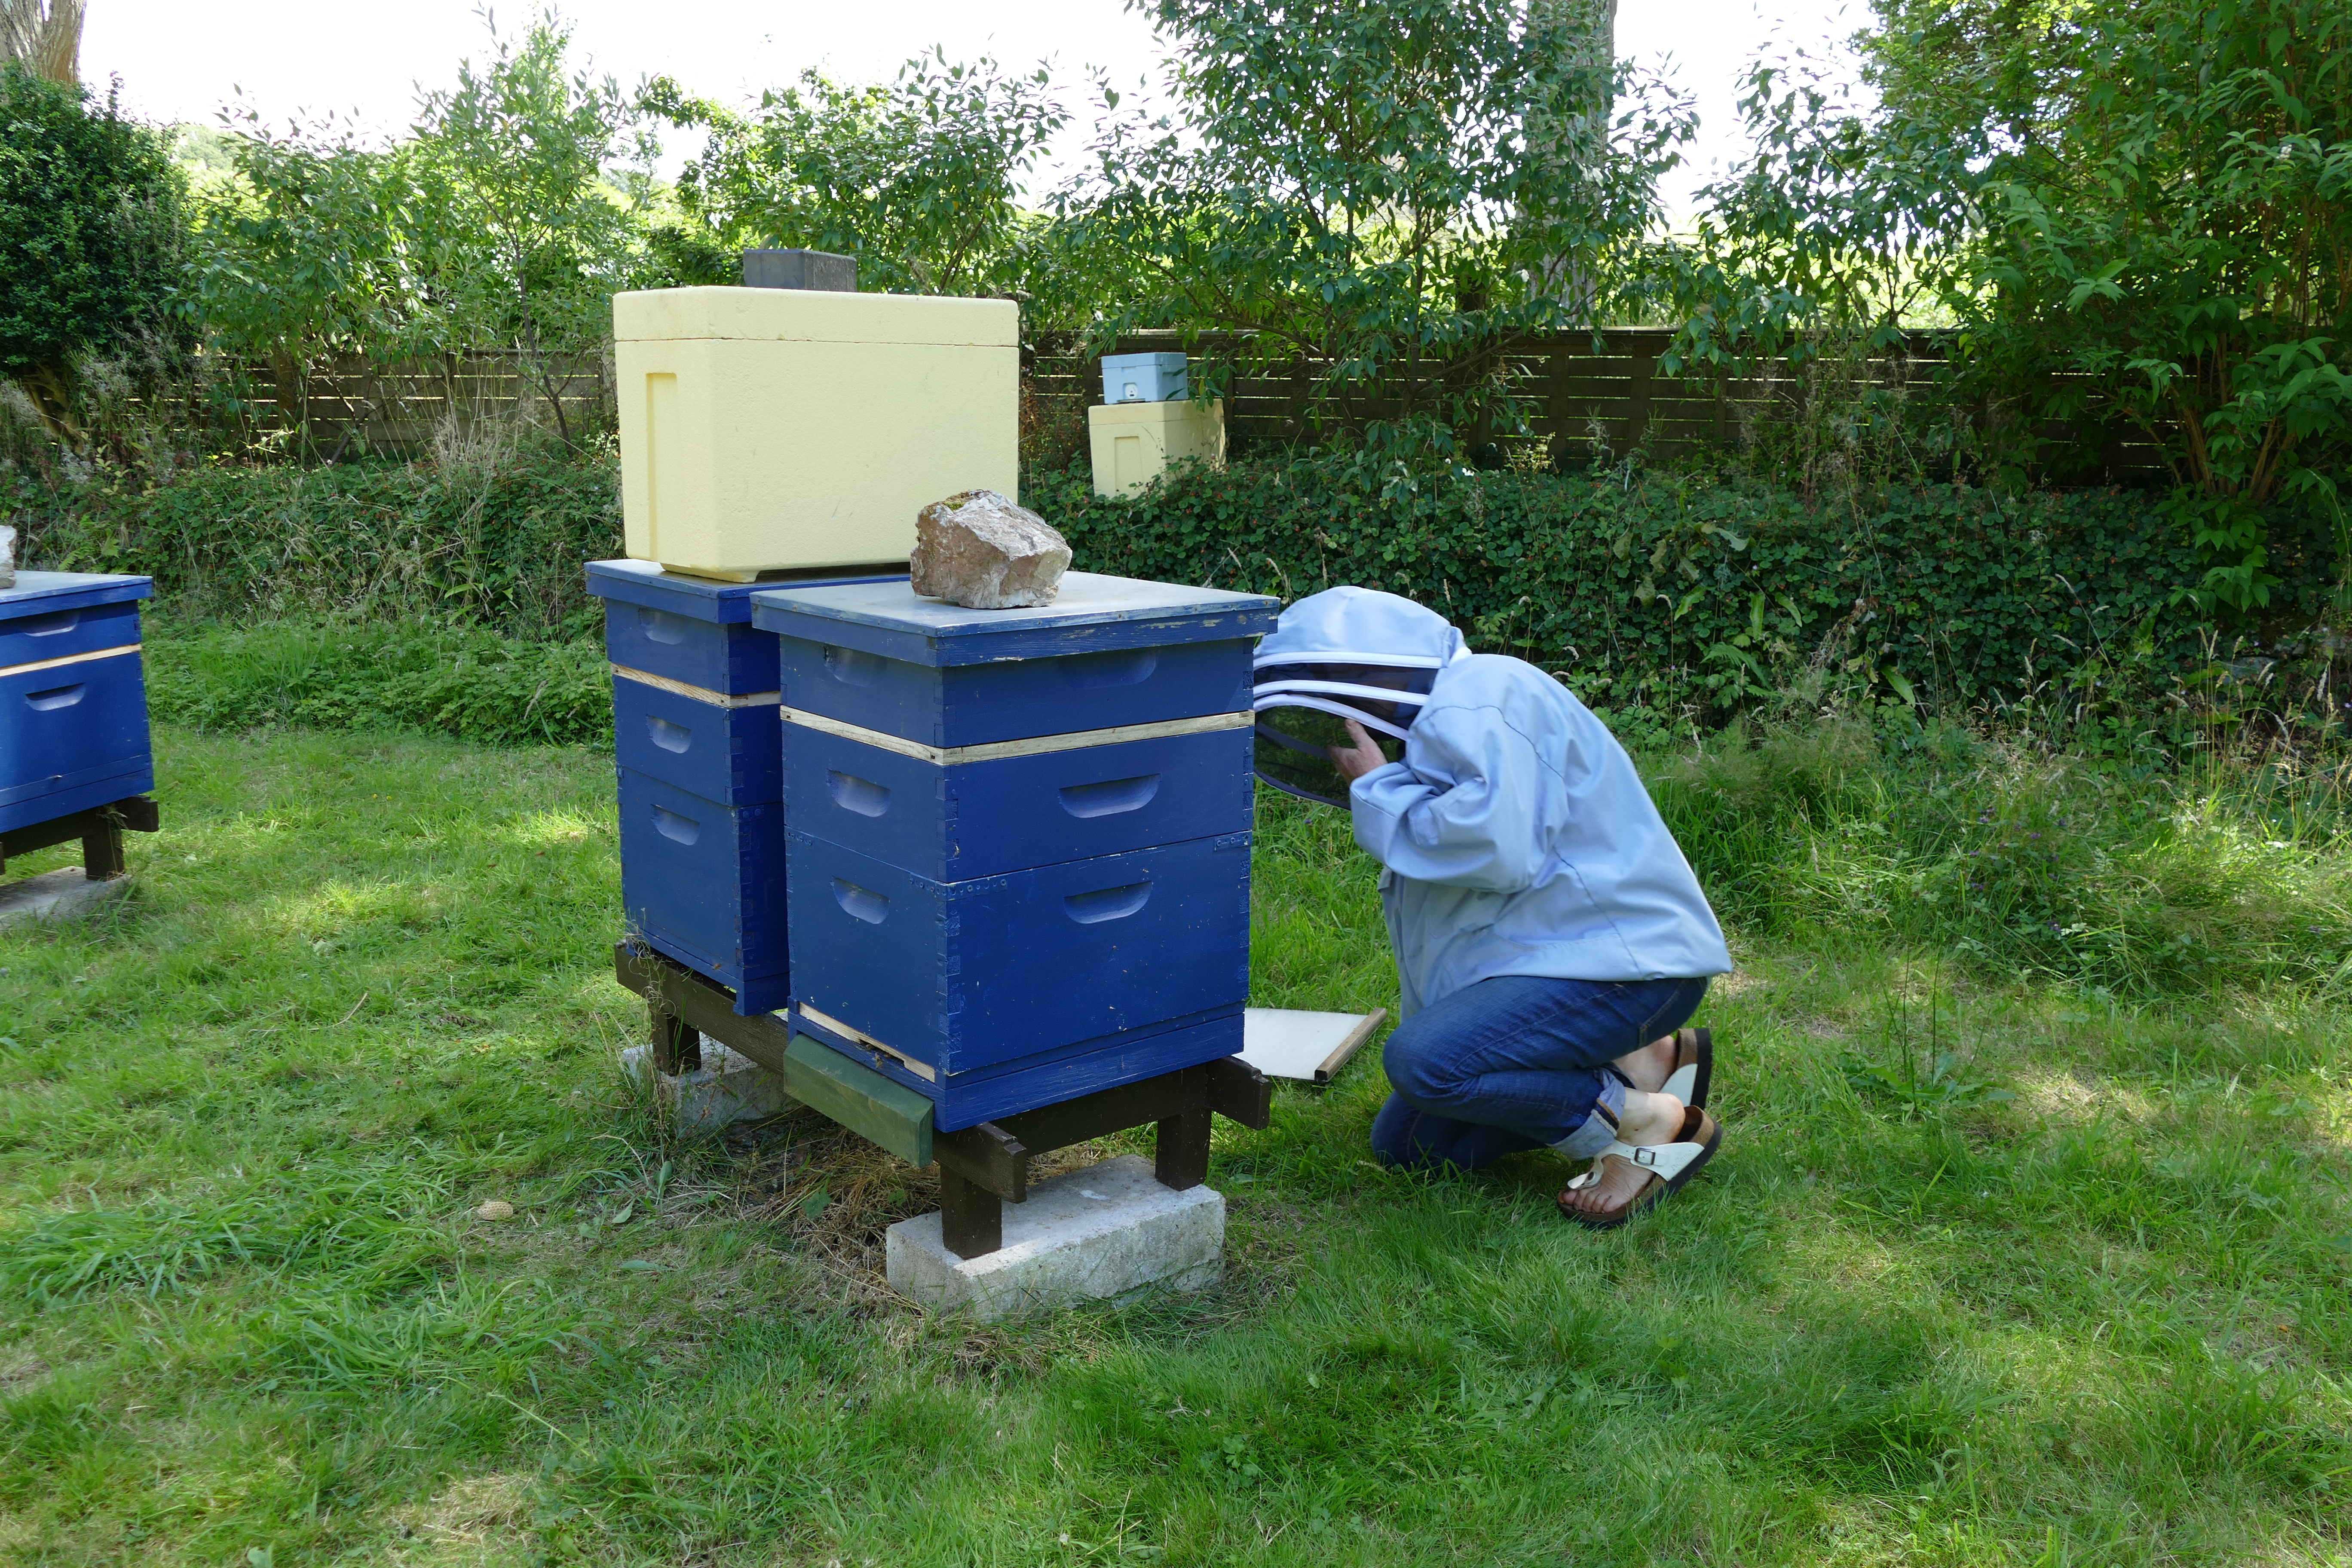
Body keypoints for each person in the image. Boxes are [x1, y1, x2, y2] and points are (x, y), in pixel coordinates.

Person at [1251, 586, 1733, 1227]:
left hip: (1626, 966)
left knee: (1423, 1062)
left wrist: (1378, 788)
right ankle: (1643, 1060)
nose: (1351, 711)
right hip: (1570, 964)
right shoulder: (1441, 727)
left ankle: (1645, 1120)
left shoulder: (1481, 690)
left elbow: (1498, 849)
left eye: (1343, 681)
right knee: (1412, 1146)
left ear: (1374, 663)